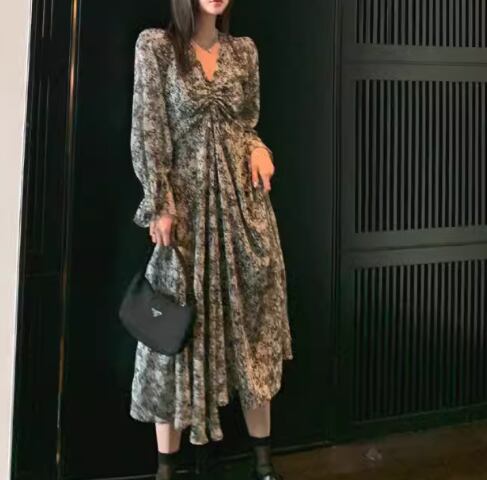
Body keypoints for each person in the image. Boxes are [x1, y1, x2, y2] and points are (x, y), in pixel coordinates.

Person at [128, 0, 293, 478]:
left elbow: (245, 126)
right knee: (173, 334)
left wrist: (258, 149)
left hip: (243, 213)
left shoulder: (243, 52)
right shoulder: (157, 48)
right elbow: (149, 130)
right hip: (186, 216)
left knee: (252, 328)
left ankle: (263, 464)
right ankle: (166, 470)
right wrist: (160, 202)